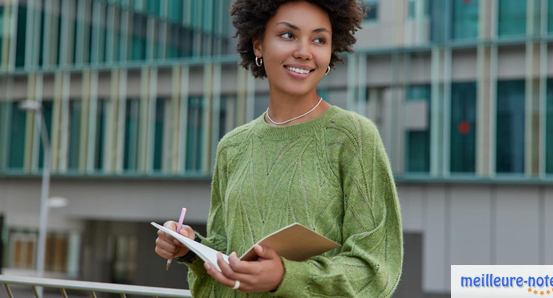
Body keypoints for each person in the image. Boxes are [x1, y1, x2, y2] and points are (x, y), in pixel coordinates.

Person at [154, 0, 403, 297]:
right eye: (288, 35)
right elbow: (227, 250)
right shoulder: (232, 147)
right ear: (258, 45)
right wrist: (191, 249)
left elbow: (375, 268)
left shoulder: (353, 136)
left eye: (319, 39)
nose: (304, 51)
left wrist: (286, 276)